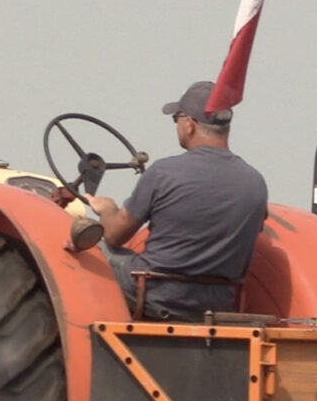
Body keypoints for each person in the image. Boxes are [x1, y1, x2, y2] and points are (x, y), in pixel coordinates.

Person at [88, 80, 268, 320]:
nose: (177, 126)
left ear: (189, 124)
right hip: (220, 304)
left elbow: (115, 235)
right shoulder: (255, 182)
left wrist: (107, 209)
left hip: (156, 295)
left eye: (176, 119)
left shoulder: (164, 172)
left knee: (87, 250)